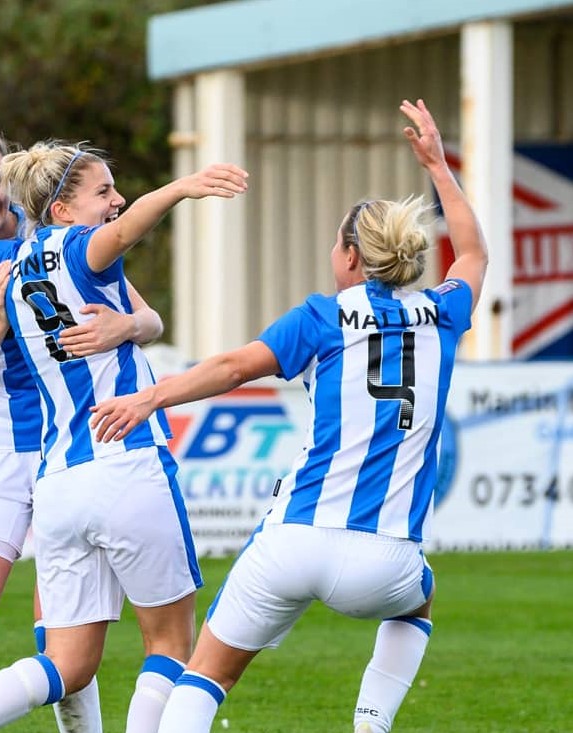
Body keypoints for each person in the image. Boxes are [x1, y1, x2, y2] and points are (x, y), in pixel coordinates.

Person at [90, 99, 487, 733]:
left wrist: (151, 396)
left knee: (206, 675)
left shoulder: (322, 316)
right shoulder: (442, 315)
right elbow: (471, 253)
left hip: (294, 540)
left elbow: (230, 368)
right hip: (385, 561)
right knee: (418, 602)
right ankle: (370, 723)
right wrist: (438, 166)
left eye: (337, 240)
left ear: (352, 258)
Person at [0, 141, 249, 732]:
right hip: (111, 453)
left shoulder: (12, 265)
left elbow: (145, 315)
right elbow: (122, 234)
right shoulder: (75, 250)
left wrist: (130, 323)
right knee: (168, 643)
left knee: (65, 656)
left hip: (58, 465)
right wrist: (180, 188)